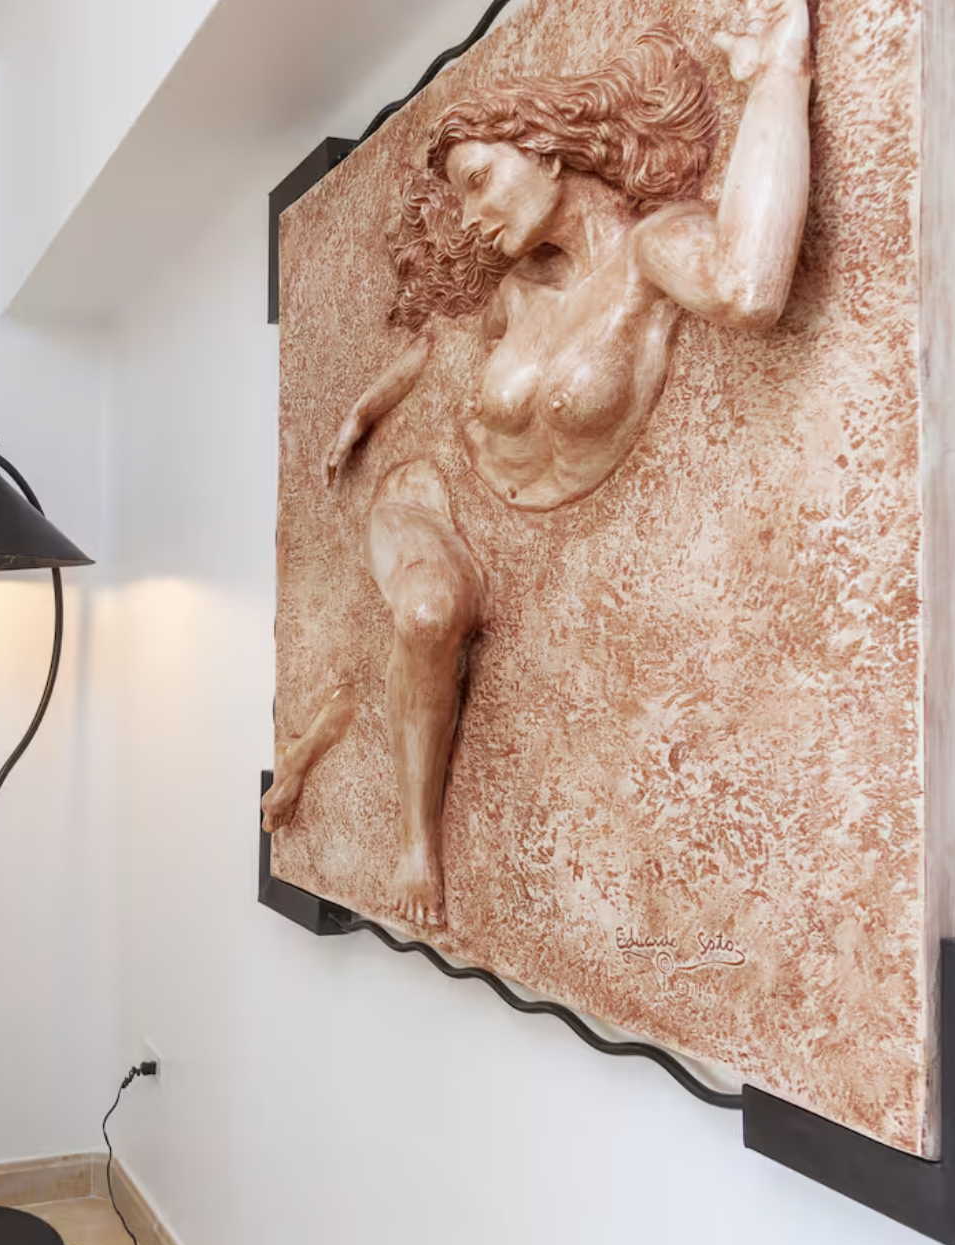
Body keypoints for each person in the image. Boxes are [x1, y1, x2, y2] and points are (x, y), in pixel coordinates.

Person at [262, 1, 812, 928]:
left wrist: (778, 80)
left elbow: (751, 287)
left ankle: (323, 740)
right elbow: (433, 346)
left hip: (529, 531)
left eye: (480, 181)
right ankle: (417, 844)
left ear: (548, 148)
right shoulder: (518, 292)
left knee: (421, 626)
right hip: (432, 491)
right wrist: (364, 409)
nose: (474, 219)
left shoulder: (653, 251)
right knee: (432, 610)